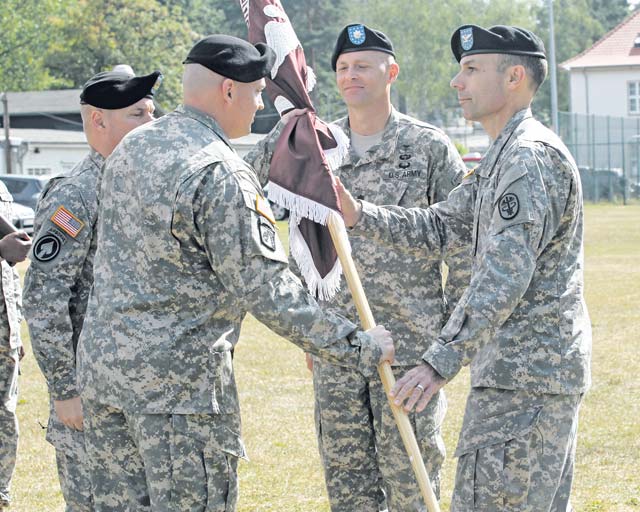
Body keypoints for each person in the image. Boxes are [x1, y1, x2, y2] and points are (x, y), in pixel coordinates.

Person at [75, 34, 394, 512]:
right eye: (257, 92)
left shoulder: (131, 147)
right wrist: (360, 345)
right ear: (228, 91)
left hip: (106, 383)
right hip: (179, 397)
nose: (261, 102)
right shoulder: (217, 171)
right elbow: (268, 290)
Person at [338, 24, 592, 511]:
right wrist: (357, 214)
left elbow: (503, 275)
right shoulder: (503, 157)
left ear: (515, 76)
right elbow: (439, 227)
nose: (458, 82)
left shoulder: (528, 159)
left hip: (526, 381)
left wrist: (438, 361)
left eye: (472, 69)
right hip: (512, 376)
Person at [247, 23, 467, 511]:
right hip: (339, 344)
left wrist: (447, 342)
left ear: (391, 72)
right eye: (343, 68)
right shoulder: (316, 148)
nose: (351, 76)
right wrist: (312, 331)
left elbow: (463, 244)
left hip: (410, 347)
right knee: (347, 481)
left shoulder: (428, 148)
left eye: (363, 66)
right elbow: (290, 227)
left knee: (412, 477)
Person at [22, 66, 160, 511]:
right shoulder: (76, 196)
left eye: (152, 111)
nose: (151, 123)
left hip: (141, 394)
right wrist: (65, 391)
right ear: (99, 121)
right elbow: (44, 300)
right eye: (138, 113)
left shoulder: (141, 186)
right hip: (91, 400)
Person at [0, 188, 32, 509]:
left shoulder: (2, 190)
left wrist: (15, 327)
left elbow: (9, 276)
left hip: (4, 330)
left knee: (5, 413)